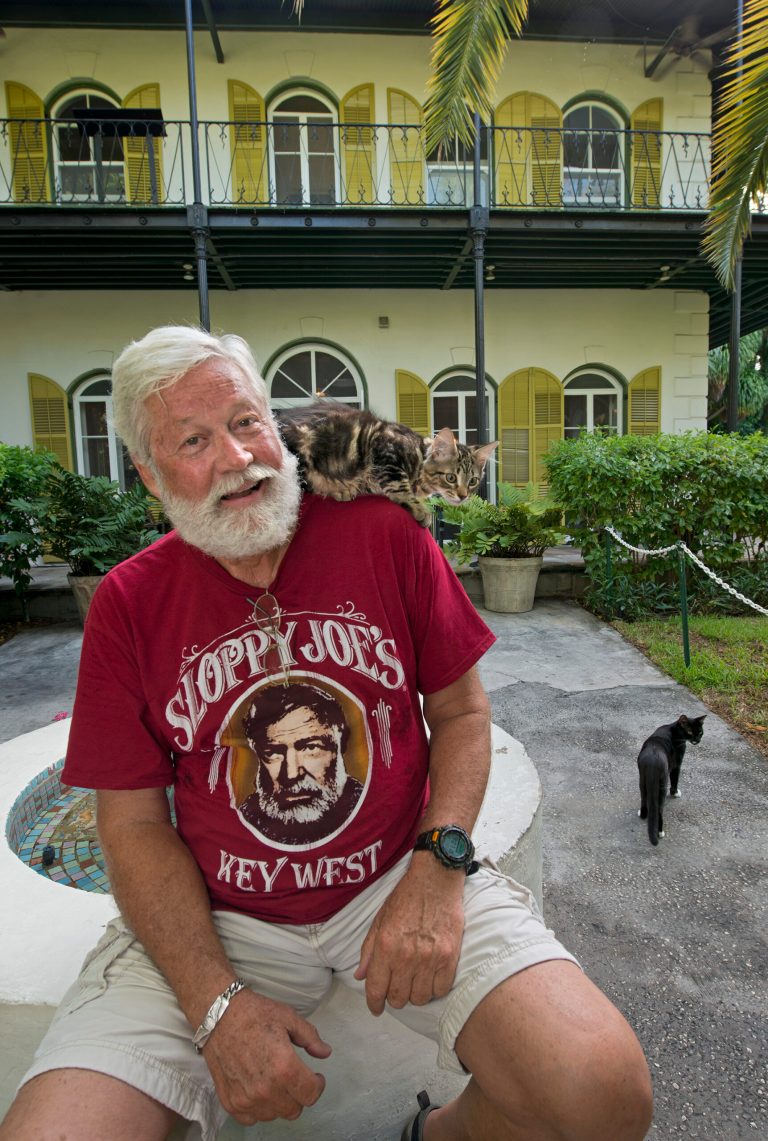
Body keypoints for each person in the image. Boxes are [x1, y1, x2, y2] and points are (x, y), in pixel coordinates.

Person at [0, 326, 652, 1141]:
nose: (238, 457)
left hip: (395, 872)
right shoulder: (130, 605)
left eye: (246, 421)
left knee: (603, 1092)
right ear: (149, 471)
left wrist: (438, 863)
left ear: (275, 424)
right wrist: (212, 1001)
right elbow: (130, 824)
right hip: (219, 913)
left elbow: (462, 713)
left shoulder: (386, 534)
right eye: (195, 440)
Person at [239, 682, 363, 844]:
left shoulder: (372, 807)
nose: (291, 774)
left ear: (340, 743)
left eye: (311, 747)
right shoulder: (244, 820)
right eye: (273, 752)